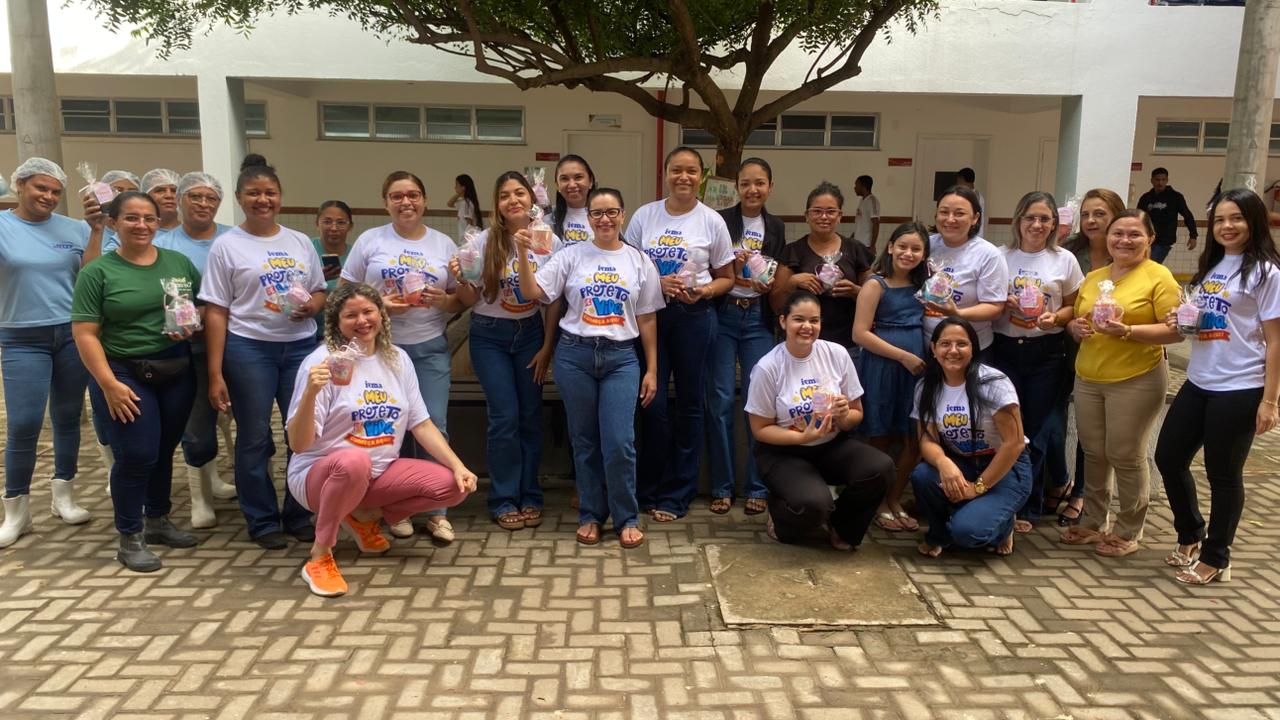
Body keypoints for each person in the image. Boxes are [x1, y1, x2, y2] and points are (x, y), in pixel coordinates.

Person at [287, 283, 478, 597]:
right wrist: (310, 393)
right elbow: (298, 444)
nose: (362, 321)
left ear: (381, 314)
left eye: (368, 311)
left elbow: (422, 423)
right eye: (351, 315)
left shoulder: (397, 359)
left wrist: (459, 467)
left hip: (376, 474)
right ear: (336, 322)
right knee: (353, 461)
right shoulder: (322, 362)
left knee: (453, 486)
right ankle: (319, 556)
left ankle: (364, 516)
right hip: (318, 475)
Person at [514, 187, 663, 547]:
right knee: (584, 441)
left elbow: (646, 318)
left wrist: (652, 368)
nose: (605, 219)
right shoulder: (571, 256)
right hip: (575, 356)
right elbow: (534, 293)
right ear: (589, 219)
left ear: (623, 216)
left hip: (621, 358)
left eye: (612, 212)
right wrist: (521, 252)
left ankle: (626, 515)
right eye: (597, 213)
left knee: (619, 442)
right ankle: (591, 515)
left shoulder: (639, 261)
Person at [70, 191, 203, 571]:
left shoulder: (178, 263)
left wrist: (191, 324)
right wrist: (108, 384)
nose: (141, 225)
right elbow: (84, 332)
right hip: (123, 372)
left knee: (164, 449)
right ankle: (130, 536)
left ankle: (158, 519)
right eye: (131, 218)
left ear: (158, 222)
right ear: (113, 222)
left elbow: (198, 306)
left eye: (149, 218)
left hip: (175, 368)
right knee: (136, 454)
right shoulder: (98, 272)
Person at [200, 154, 327, 550]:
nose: (263, 199)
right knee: (254, 437)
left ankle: (298, 512)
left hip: (300, 348)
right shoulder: (227, 247)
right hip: (248, 349)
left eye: (269, 192)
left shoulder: (300, 241)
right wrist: (216, 371)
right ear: (240, 198)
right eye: (254, 193)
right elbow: (217, 310)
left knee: (303, 436)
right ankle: (261, 519)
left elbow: (321, 289)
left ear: (280, 197)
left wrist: (314, 306)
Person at [1156, 189, 1280, 585]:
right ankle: (1191, 532)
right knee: (1169, 457)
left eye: (1237, 219)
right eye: (1221, 220)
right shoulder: (1212, 266)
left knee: (1223, 474)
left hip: (1241, 386)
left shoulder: (1266, 272)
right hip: (1199, 380)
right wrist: (1185, 317)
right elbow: (1210, 321)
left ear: (1254, 222)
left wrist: (1270, 401)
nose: (1227, 227)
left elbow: (1276, 340)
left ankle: (1217, 558)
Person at [341, 171, 464, 542]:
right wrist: (379, 307)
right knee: (389, 428)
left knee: (434, 425)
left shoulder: (444, 244)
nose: (405, 202)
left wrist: (446, 300)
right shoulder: (370, 240)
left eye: (413, 195)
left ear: (425, 201)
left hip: (428, 346)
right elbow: (346, 294)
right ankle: (398, 509)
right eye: (396, 196)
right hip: (380, 351)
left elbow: (462, 298)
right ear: (386, 202)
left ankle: (438, 512)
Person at [624, 146, 735, 522]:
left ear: (700, 176)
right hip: (652, 317)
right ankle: (649, 486)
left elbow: (727, 279)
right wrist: (656, 281)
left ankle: (678, 492)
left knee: (690, 404)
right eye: (676, 170)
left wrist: (704, 291)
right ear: (665, 173)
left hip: (694, 318)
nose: (683, 177)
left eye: (691, 171)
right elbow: (629, 268)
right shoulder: (644, 216)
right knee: (651, 404)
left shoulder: (711, 221)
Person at [1061, 209, 1181, 557]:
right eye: (1117, 234)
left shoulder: (1159, 278)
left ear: (1150, 239)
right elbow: (1078, 320)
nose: (1124, 241)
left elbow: (1174, 331)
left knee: (1125, 454)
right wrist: (1075, 328)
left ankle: (1128, 529)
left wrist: (1128, 331)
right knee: (1094, 452)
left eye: (1134, 235)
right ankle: (1093, 522)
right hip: (1089, 375)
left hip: (1136, 378)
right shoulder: (1095, 276)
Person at [451, 171, 560, 531]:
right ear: (496, 205)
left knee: (530, 416)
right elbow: (468, 300)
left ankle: (530, 494)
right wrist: (462, 277)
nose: (513, 200)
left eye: (519, 193)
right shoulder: (481, 242)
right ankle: (502, 498)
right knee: (504, 418)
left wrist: (547, 347)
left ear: (532, 199)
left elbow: (551, 300)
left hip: (530, 334)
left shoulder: (548, 240)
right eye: (504, 195)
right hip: (489, 336)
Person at [745, 290, 892, 549]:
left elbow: (856, 415)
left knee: (881, 468)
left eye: (814, 320)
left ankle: (843, 525)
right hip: (784, 452)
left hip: (831, 444)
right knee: (813, 505)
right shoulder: (768, 367)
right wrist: (802, 437)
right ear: (783, 322)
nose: (807, 327)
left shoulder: (836, 354)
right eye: (799, 319)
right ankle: (780, 518)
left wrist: (845, 414)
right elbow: (760, 429)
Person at [0, 158, 93, 548]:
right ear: (20, 185)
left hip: (71, 334)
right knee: (23, 422)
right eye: (41, 188)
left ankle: (64, 496)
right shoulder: (3, 226)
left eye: (56, 191)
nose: (49, 197)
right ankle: (15, 510)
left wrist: (100, 229)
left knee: (67, 417)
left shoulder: (76, 228)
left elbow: (91, 275)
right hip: (21, 337)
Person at [990, 191, 1083, 533]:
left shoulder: (1065, 261)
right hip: (1005, 350)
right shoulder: (1000, 256)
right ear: (1018, 220)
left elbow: (1074, 305)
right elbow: (987, 297)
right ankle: (1005, 496)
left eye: (1045, 219)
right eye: (1030, 217)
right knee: (1007, 427)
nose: (1037, 225)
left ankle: (1028, 504)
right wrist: (1004, 303)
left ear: (1055, 225)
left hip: (1045, 353)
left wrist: (1055, 318)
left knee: (1036, 430)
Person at [154, 172, 237, 529]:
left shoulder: (234, 238)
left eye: (210, 198)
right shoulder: (164, 243)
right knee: (197, 425)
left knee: (250, 422)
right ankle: (200, 500)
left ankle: (253, 490)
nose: (203, 204)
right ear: (181, 200)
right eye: (195, 197)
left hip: (238, 343)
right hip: (186, 347)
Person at [910, 317, 1030, 557]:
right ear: (933, 349)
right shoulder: (927, 387)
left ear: (973, 348)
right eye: (945, 344)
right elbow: (926, 440)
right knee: (923, 475)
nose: (953, 351)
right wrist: (944, 463)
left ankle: (1002, 526)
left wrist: (978, 488)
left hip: (1004, 466)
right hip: (961, 462)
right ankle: (939, 535)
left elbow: (1014, 443)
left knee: (968, 533)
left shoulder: (994, 382)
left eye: (961, 344)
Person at [707, 158, 785, 516]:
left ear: (770, 186)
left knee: (759, 403)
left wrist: (768, 287)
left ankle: (757, 485)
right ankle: (722, 487)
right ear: (736, 187)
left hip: (758, 320)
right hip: (724, 314)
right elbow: (712, 269)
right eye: (746, 183)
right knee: (720, 400)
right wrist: (740, 280)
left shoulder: (777, 226)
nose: (753, 190)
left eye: (760, 183)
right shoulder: (722, 220)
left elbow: (777, 274)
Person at [852, 222, 930, 532]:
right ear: (890, 247)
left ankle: (895, 497)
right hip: (883, 367)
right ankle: (878, 501)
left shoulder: (925, 286)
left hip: (917, 371)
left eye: (916, 249)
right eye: (903, 246)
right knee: (880, 436)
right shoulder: (875, 284)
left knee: (913, 438)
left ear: (924, 255)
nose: (908, 253)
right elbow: (859, 333)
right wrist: (902, 356)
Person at [1053, 188, 1124, 525]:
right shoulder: (1070, 251)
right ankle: (1058, 482)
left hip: (1110, 357)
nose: (1092, 221)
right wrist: (1068, 326)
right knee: (1055, 422)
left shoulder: (1126, 255)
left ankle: (1081, 492)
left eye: (1100, 214)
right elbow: (1065, 302)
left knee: (1090, 430)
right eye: (1086, 214)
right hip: (1067, 348)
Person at [772, 181, 872, 359]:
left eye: (831, 211)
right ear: (807, 216)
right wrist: (793, 283)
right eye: (817, 211)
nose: (824, 217)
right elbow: (775, 303)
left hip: (847, 345)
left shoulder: (855, 249)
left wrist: (856, 291)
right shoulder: (793, 251)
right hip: (802, 346)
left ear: (840, 215)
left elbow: (875, 297)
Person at [921, 186, 1008, 355]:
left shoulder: (989, 255)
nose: (950, 219)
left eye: (959, 213)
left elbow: (994, 307)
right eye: (944, 212)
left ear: (975, 218)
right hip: (925, 345)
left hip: (969, 349)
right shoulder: (925, 245)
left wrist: (957, 313)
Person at [1137, 168, 1198, 264]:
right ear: (1152, 180)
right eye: (1157, 180)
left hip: (1164, 240)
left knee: (1149, 264)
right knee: (1142, 264)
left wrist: (1193, 235)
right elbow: (1138, 218)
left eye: (1163, 180)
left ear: (1167, 180)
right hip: (1147, 239)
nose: (1160, 183)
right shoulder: (1146, 198)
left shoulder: (1175, 197)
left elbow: (1187, 215)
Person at [551, 155, 597, 247]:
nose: (572, 184)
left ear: (590, 181)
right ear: (557, 185)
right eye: (564, 179)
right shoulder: (547, 218)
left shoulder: (605, 217)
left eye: (578, 177)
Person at [141, 168, 183, 234]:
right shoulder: (136, 233)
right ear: (146, 196)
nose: (169, 195)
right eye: (160, 190)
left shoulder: (195, 233)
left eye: (174, 191)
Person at [446, 174, 482, 239]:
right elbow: (449, 204)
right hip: (464, 239)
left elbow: (469, 223)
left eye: (457, 185)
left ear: (463, 187)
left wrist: (467, 243)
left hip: (467, 240)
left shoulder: (466, 203)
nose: (455, 187)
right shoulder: (462, 202)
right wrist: (459, 194)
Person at [852, 175, 882, 253]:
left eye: (856, 185)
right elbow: (861, 223)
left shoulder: (872, 201)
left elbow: (876, 224)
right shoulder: (862, 201)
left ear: (863, 186)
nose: (854, 188)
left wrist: (872, 246)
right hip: (857, 243)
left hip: (866, 245)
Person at [955, 168, 987, 239]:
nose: (957, 185)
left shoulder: (971, 196)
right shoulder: (978, 196)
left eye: (959, 181)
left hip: (971, 236)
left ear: (962, 179)